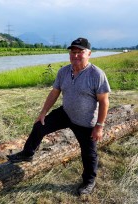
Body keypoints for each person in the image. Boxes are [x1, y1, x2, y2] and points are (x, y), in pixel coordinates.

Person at [7, 37, 110, 196]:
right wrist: (43, 113)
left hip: (86, 121)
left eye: (80, 52)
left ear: (88, 53)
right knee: (39, 126)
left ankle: (89, 181)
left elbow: (104, 102)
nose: (75, 55)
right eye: (72, 52)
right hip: (66, 113)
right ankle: (27, 153)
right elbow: (54, 93)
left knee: (89, 153)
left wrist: (99, 126)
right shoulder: (63, 71)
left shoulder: (96, 74)